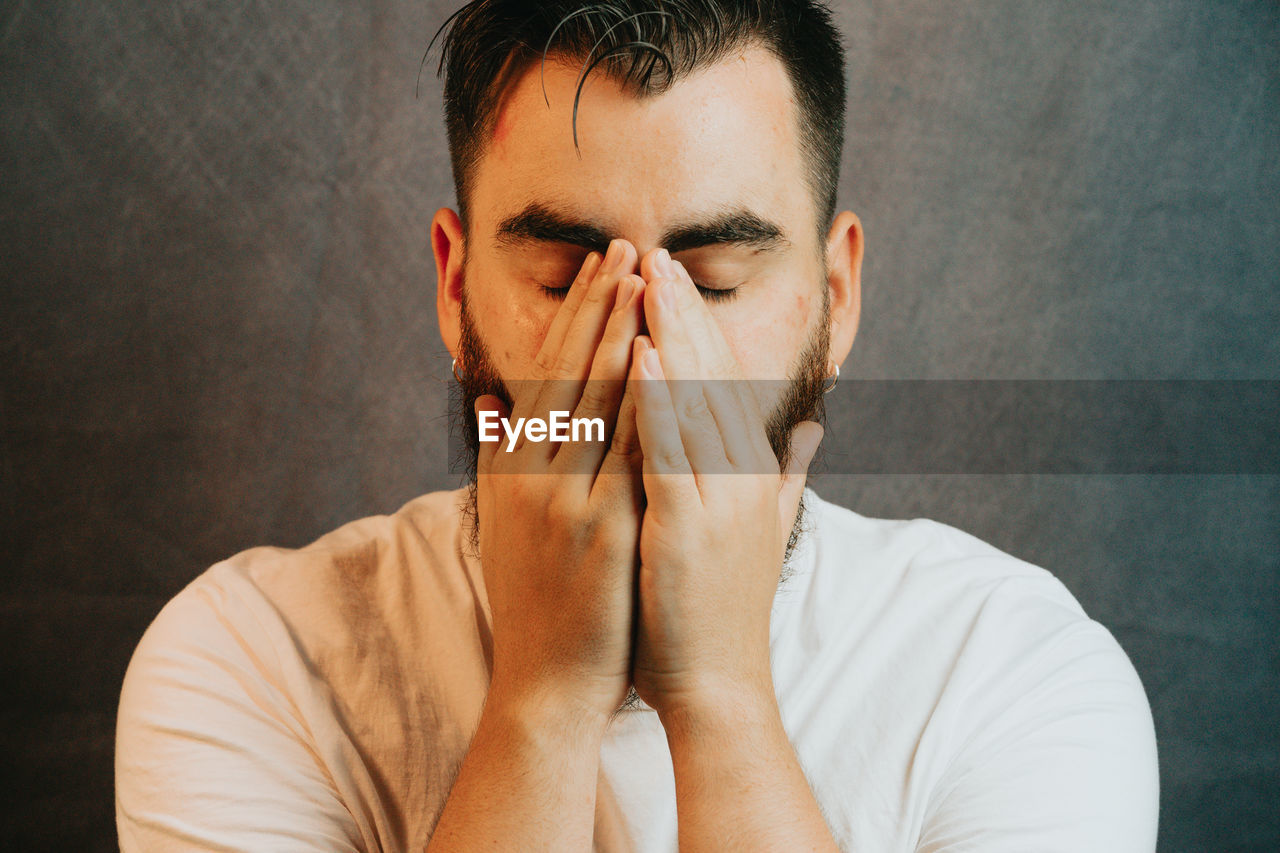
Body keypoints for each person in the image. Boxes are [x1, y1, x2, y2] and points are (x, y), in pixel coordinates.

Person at [114, 2, 1160, 850]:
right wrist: (544, 697)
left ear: (835, 298)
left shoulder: (1014, 677)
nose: (644, 358)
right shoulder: (252, 663)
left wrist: (721, 696)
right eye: (569, 278)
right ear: (453, 285)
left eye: (710, 281)